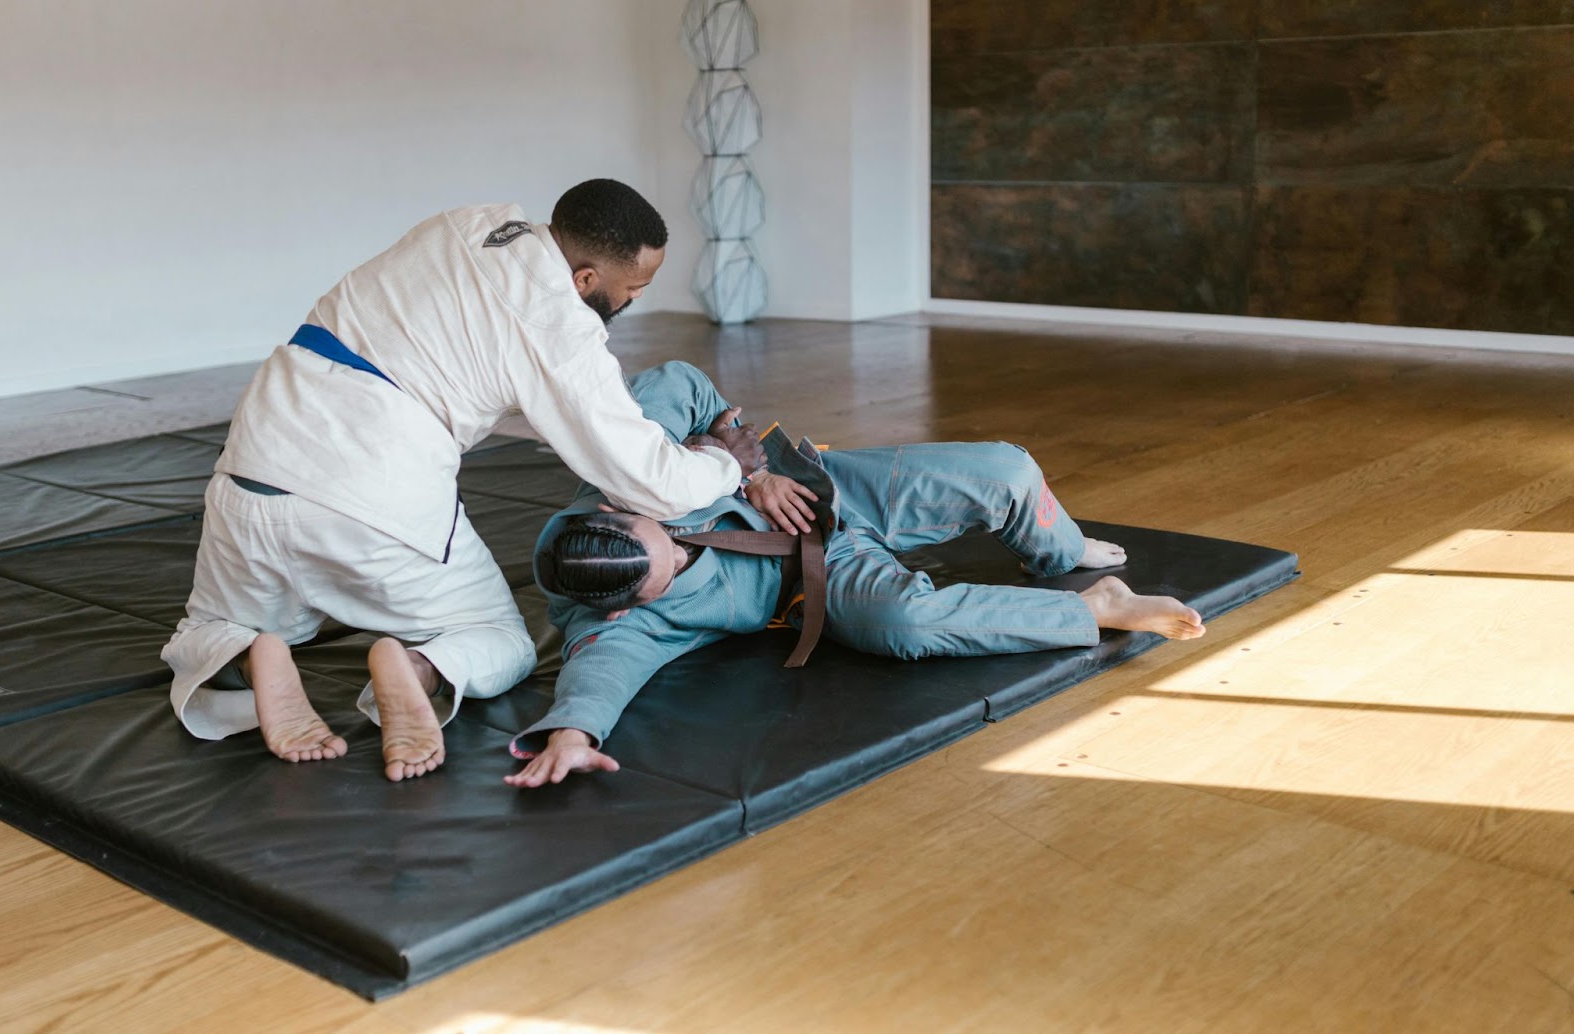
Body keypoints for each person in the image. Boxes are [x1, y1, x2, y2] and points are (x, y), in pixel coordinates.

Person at [162, 180, 764, 781]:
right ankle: (419, 668)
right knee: (500, 638)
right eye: (633, 287)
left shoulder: (468, 224)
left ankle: (246, 652)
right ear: (584, 279)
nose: (632, 299)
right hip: (369, 494)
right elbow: (648, 480)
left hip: (250, 467)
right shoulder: (557, 327)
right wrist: (726, 463)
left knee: (209, 627)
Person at [504, 361, 1207, 789]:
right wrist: (572, 735)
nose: (682, 554)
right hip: (818, 578)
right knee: (905, 623)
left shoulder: (623, 473)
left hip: (827, 488)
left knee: (1007, 470)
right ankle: (1097, 608)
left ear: (621, 506)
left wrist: (751, 471)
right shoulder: (616, 619)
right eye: (674, 573)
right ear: (630, 609)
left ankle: (1059, 549)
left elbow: (677, 381)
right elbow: (597, 677)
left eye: (670, 539)